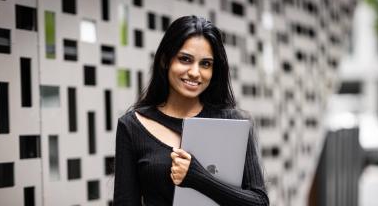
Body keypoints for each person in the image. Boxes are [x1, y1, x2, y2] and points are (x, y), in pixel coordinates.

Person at [113, 15, 269, 205]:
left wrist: (198, 177)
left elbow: (259, 202)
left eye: (205, 64)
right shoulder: (132, 126)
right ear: (164, 61)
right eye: (185, 59)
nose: (195, 72)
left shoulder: (233, 123)